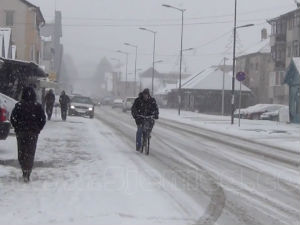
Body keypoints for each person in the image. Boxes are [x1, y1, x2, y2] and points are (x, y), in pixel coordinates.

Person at [10, 87, 46, 182]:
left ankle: (24, 170)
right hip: (32, 133)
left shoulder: (19, 105)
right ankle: (27, 172)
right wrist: (38, 129)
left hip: (21, 132)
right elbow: (42, 119)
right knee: (30, 152)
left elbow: (13, 118)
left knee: (21, 151)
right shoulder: (37, 106)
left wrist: (17, 127)